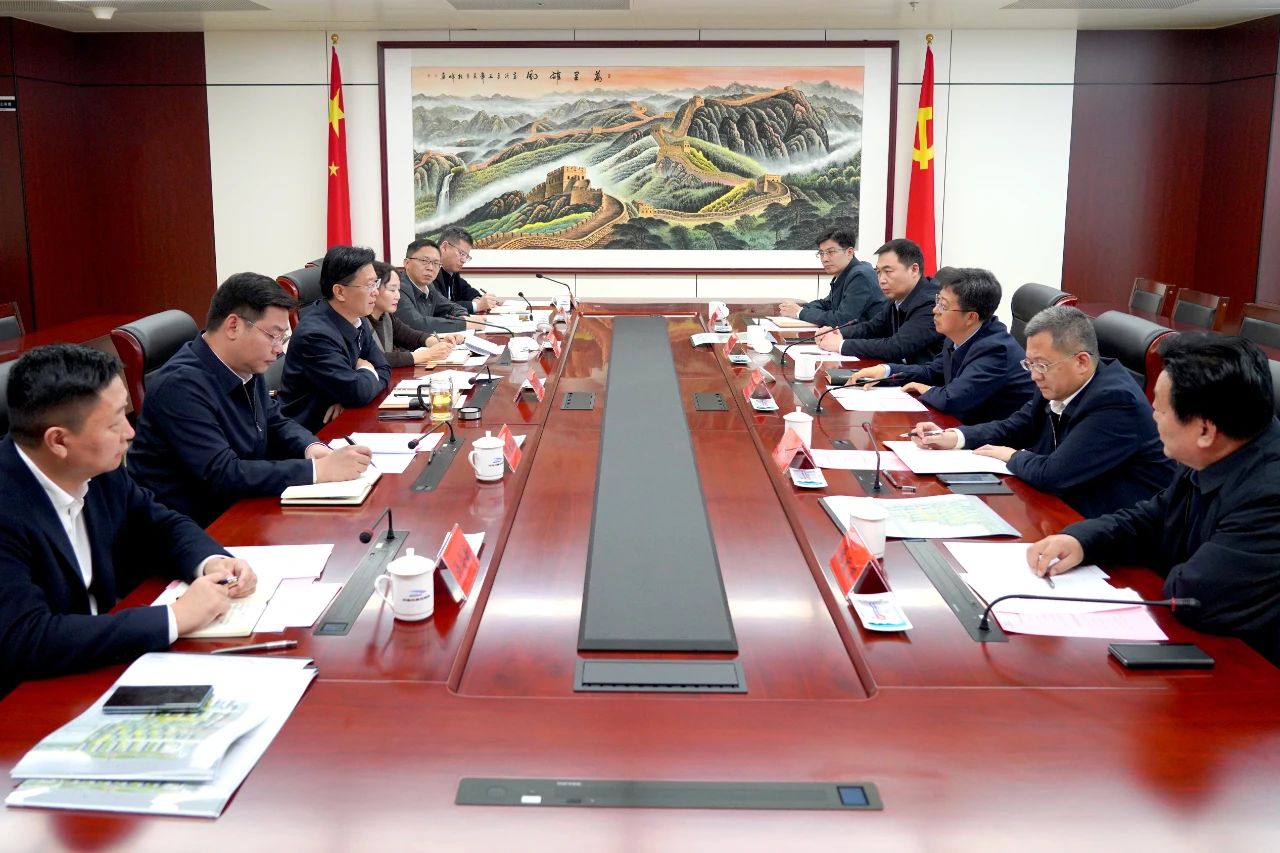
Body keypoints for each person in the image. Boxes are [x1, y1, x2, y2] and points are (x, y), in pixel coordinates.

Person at [0, 344, 258, 695]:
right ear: (58, 441)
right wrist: (174, 618)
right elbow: (27, 638)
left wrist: (212, 562)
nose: (129, 432)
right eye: (114, 423)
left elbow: (159, 524)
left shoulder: (98, 468)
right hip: (33, 698)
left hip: (106, 665)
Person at [1027, 335, 1280, 665]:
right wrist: (1081, 540)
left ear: (1205, 431)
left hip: (1252, 669)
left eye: (1160, 410)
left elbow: (1194, 596)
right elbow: (1153, 518)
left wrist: (1162, 559)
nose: (1153, 418)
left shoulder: (1269, 495)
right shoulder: (1215, 451)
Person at [128, 273, 373, 527]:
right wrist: (317, 471)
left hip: (243, 507)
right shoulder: (180, 386)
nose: (278, 349)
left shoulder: (244, 365)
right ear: (233, 326)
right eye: (273, 335)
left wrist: (311, 448)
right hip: (196, 527)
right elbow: (222, 473)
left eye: (283, 338)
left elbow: (273, 420)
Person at [909, 305, 1174, 518]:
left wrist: (1012, 455)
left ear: (1082, 361)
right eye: (1030, 364)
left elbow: (1055, 474)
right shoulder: (1057, 380)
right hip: (1064, 507)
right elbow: (1017, 426)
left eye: (1041, 365)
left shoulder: (1115, 401)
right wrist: (955, 436)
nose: (1034, 375)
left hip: (1112, 528)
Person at [847, 267, 1036, 424]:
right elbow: (932, 371)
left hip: (1002, 443)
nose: (935, 310)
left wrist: (926, 389)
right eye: (938, 301)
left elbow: (953, 399)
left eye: (944, 306)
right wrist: (886, 370)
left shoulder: (995, 350)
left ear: (971, 317)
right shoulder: (958, 335)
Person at [279, 245, 392, 433]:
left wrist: (350, 396)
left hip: (344, 418)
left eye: (376, 283)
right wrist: (365, 370)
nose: (376, 292)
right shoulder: (315, 335)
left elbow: (384, 368)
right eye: (369, 285)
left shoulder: (357, 318)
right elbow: (358, 392)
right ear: (339, 292)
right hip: (312, 432)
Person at [815, 237, 943, 365]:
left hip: (926, 376)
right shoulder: (897, 298)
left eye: (888, 271)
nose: (881, 280)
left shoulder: (932, 303)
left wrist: (841, 345)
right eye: (879, 272)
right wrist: (836, 332)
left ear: (914, 269)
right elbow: (872, 327)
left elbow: (896, 347)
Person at [777, 227, 883, 328]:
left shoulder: (860, 275)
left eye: (831, 252)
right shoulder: (845, 273)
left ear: (849, 252)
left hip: (871, 339)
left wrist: (800, 312)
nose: (824, 259)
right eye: (821, 253)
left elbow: (842, 320)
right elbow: (827, 304)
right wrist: (799, 308)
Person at [367, 261, 464, 369]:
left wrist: (440, 341)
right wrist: (427, 355)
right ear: (373, 289)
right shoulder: (359, 321)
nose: (398, 296)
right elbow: (374, 358)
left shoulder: (386, 316)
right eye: (392, 290)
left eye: (398, 290)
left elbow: (411, 336)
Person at [397, 238, 469, 336]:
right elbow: (417, 325)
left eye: (435, 263)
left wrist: (463, 317)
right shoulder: (397, 289)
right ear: (407, 263)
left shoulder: (429, 287)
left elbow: (453, 307)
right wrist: (463, 324)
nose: (430, 268)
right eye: (424, 261)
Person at [434, 226, 501, 315]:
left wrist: (479, 299)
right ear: (444, 247)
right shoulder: (429, 271)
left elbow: (466, 290)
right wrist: (477, 305)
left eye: (466, 256)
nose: (464, 260)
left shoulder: (451, 272)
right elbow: (439, 306)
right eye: (461, 253)